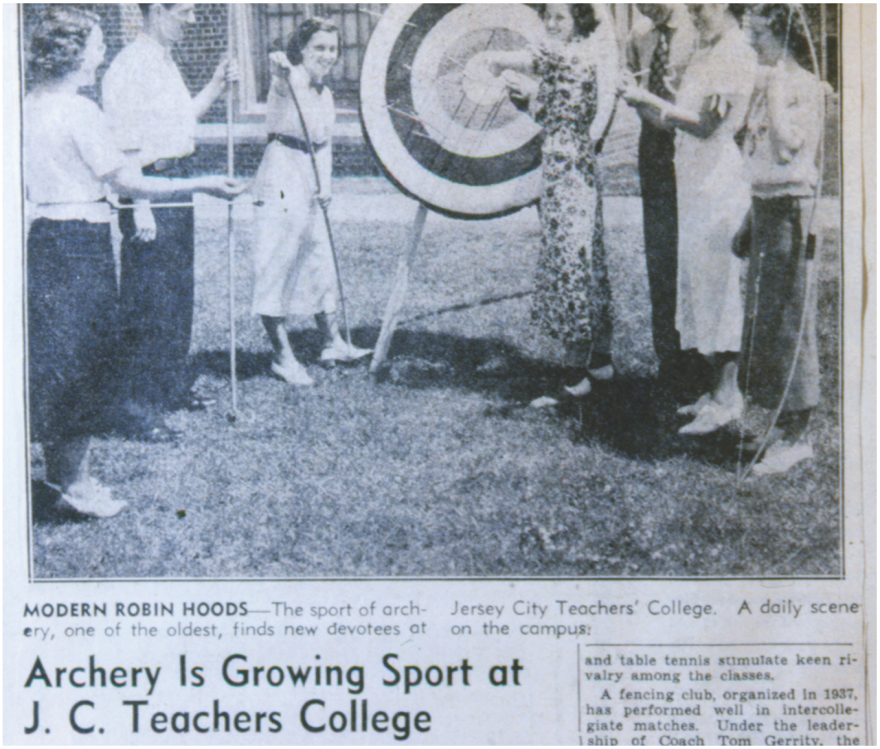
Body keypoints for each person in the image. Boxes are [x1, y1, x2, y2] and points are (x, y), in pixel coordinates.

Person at [24, 8, 243, 518]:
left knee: (62, 360)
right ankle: (72, 481)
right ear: (76, 53)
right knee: (83, 360)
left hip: (47, 238)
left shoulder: (29, 104)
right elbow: (127, 179)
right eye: (97, 44)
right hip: (80, 241)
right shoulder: (80, 110)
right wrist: (202, 183)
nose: (102, 53)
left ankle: (69, 477)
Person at [102, 3, 239, 441]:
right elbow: (124, 140)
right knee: (148, 301)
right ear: (156, 11)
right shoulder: (128, 67)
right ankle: (136, 407)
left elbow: (182, 123)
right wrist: (139, 202)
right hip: (150, 186)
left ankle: (168, 384)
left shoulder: (164, 63)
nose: (193, 20)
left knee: (177, 292)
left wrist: (217, 85)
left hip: (175, 180)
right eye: (185, 11)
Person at [622, 3, 757, 435]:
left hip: (718, 178)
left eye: (706, 8)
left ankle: (727, 397)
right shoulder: (706, 48)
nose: (697, 14)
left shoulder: (736, 51)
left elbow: (706, 124)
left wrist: (647, 98)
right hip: (692, 178)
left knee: (720, 285)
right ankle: (712, 391)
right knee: (700, 281)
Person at [479, 3, 619, 400]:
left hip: (567, 168)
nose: (552, 25)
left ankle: (575, 378)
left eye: (561, 18)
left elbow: (536, 58)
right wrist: (532, 97)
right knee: (588, 259)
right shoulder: (584, 54)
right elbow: (553, 109)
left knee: (570, 261)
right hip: (575, 164)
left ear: (578, 22)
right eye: (549, 17)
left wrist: (492, 59)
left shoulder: (571, 52)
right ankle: (600, 360)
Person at [251, 18, 371, 387]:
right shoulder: (289, 80)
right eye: (319, 47)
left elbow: (324, 141)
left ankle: (332, 341)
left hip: (312, 174)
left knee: (320, 256)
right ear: (301, 49)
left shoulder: (326, 92)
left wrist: (327, 184)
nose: (327, 56)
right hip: (283, 174)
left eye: (333, 49)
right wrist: (280, 67)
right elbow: (279, 76)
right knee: (279, 258)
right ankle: (281, 356)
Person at [739, 3, 825, 475]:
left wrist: (772, 93)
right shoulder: (769, 79)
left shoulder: (800, 86)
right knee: (767, 321)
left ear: (779, 29)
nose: (749, 30)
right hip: (766, 206)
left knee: (791, 319)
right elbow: (755, 153)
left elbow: (789, 148)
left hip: (792, 208)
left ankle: (797, 438)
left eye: (757, 24)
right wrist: (749, 222)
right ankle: (779, 421)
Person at [624, 4, 698, 388]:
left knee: (695, 255)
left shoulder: (698, 26)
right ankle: (669, 362)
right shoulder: (639, 34)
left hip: (693, 147)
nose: (644, 7)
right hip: (653, 148)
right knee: (661, 253)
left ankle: (702, 361)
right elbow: (632, 84)